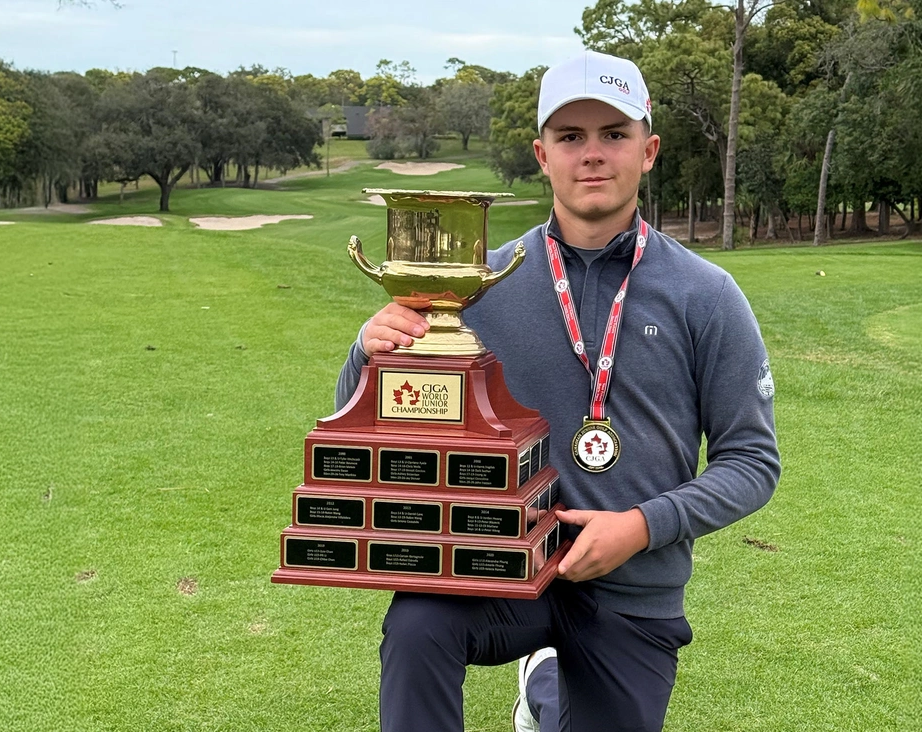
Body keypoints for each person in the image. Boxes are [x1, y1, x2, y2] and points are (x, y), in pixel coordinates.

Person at [333, 50, 781, 732]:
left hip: (633, 586)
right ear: (542, 155)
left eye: (614, 134)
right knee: (418, 624)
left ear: (649, 149)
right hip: (499, 567)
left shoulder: (706, 295)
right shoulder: (473, 284)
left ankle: (543, 692)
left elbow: (752, 462)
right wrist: (368, 351)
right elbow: (367, 420)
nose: (592, 155)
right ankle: (541, 669)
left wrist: (639, 527)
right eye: (571, 137)